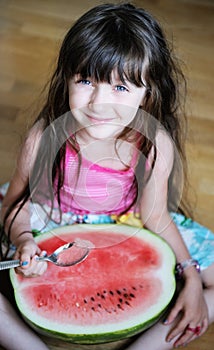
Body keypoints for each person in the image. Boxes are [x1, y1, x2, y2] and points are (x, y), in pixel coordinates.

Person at [0, 3, 214, 350]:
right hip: (49, 219)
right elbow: (17, 201)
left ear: (148, 94)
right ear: (66, 78)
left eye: (121, 88)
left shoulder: (154, 145)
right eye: (85, 80)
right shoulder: (44, 138)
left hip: (126, 220)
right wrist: (24, 238)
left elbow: (155, 214)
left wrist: (189, 274)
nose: (99, 102)